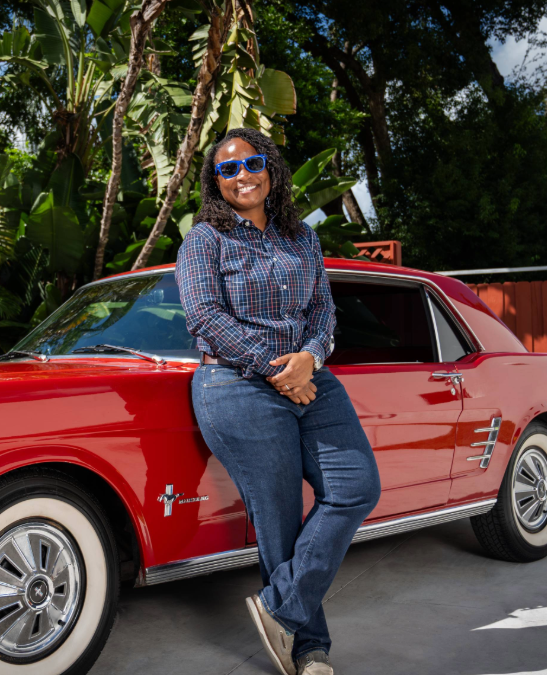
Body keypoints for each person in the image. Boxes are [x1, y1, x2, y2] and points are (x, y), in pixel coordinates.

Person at [176, 127, 381, 675]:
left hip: (310, 379)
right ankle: (311, 651)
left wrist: (308, 360)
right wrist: (279, 370)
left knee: (357, 487)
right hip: (235, 385)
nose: (242, 175)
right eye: (228, 169)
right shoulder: (204, 240)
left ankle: (279, 609)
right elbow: (206, 319)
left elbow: (324, 313)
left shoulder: (303, 238)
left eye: (252, 163)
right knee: (281, 521)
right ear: (215, 182)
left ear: (272, 169)